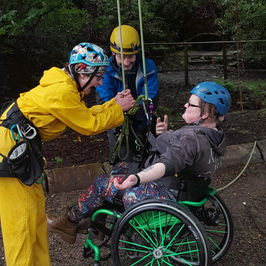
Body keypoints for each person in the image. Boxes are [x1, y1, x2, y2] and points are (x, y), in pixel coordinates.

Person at [0, 42, 135, 266]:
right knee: (21, 225)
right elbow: (88, 125)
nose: (101, 81)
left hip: (22, 148)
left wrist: (113, 104)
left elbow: (83, 114)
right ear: (82, 69)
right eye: (98, 75)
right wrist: (117, 109)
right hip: (10, 151)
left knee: (35, 220)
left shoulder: (66, 86)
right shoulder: (62, 90)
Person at [48, 81, 231, 244]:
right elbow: (184, 154)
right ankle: (96, 222)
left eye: (190, 104)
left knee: (102, 183)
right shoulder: (214, 136)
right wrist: (165, 135)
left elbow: (168, 163)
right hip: (185, 188)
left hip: (166, 191)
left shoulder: (192, 139)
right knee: (120, 168)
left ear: (206, 113)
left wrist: (137, 178)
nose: (185, 105)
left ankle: (68, 222)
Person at [96, 25, 159, 164]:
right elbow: (105, 100)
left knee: (151, 155)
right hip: (117, 121)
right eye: (122, 57)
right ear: (113, 54)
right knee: (122, 157)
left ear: (137, 53)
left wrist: (136, 110)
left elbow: (150, 96)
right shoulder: (106, 71)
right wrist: (121, 111)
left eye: (131, 57)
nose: (126, 62)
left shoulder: (147, 67)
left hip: (144, 118)